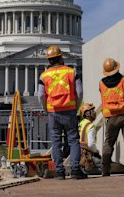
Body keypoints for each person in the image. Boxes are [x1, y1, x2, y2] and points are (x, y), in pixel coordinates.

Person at [38, 45, 86, 180]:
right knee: (73, 141)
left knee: (56, 142)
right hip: (69, 110)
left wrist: (45, 108)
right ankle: (76, 169)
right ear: (61, 58)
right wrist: (76, 106)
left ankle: (59, 171)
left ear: (49, 60)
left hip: (53, 112)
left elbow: (40, 95)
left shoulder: (44, 75)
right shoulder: (71, 72)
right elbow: (80, 91)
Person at [99, 56, 124, 176]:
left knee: (109, 143)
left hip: (111, 117)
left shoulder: (101, 83)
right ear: (116, 68)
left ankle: (105, 169)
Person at [78, 103, 102, 175]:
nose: (94, 113)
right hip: (86, 154)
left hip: (79, 153)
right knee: (105, 167)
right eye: (92, 111)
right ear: (87, 114)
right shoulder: (90, 126)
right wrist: (96, 152)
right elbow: (90, 144)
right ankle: (86, 171)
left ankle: (82, 169)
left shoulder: (81, 123)